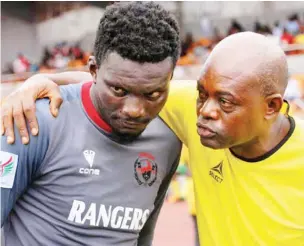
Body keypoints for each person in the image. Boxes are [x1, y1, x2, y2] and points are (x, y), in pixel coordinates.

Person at [3, 33, 304, 245]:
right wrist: (40, 81)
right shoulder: (192, 108)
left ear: (272, 107)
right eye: (202, 94)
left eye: (225, 102)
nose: (205, 111)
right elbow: (122, 87)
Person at [0, 2, 182, 246]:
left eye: (152, 94)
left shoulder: (168, 138)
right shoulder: (34, 123)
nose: (135, 110)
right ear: (93, 69)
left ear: (170, 78)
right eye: (119, 90)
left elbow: (143, 236)